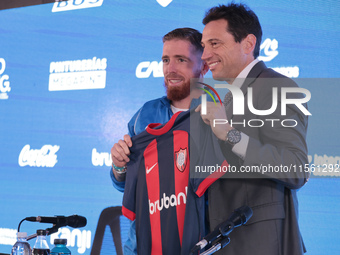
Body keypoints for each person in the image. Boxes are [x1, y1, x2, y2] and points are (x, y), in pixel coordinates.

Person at [196, 3, 309, 255]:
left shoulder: (277, 87)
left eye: (215, 43)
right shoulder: (230, 97)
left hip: (260, 243)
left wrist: (229, 133)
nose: (204, 55)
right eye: (204, 46)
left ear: (248, 44)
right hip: (226, 241)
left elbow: (295, 167)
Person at [110, 28, 208, 254]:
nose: (170, 69)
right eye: (165, 60)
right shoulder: (145, 115)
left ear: (203, 66)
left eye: (181, 60)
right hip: (143, 247)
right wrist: (119, 165)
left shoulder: (218, 116)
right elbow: (125, 185)